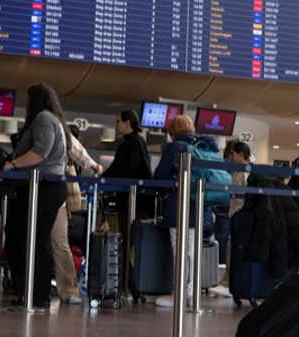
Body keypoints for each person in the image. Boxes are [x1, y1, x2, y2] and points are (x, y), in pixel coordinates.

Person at [3, 83, 70, 309]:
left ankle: (35, 294)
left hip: (42, 186)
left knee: (28, 237)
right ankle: (31, 292)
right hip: (45, 186)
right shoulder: (53, 119)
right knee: (30, 237)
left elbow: (40, 152)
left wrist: (13, 164)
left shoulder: (43, 119)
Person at [151, 114, 217, 308]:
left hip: (179, 206)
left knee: (179, 251)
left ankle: (179, 294)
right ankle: (190, 291)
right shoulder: (205, 146)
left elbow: (160, 177)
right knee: (192, 251)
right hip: (201, 207)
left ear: (173, 132)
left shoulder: (174, 148)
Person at [49, 124, 102, 306]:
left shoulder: (58, 130)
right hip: (44, 194)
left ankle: (70, 289)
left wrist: (92, 165)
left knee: (59, 242)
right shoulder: (40, 127)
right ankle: (36, 286)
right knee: (55, 242)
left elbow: (76, 150)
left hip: (56, 196)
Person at [207, 140, 252, 299]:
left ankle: (229, 283)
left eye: (233, 154)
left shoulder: (246, 172)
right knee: (229, 248)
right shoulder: (238, 172)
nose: (231, 158)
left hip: (240, 215)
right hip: (234, 214)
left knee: (232, 249)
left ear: (241, 154)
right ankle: (226, 280)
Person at [103, 109, 153, 233]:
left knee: (130, 235)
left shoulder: (134, 142)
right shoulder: (132, 142)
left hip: (134, 201)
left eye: (118, 121)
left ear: (128, 123)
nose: (116, 125)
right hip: (130, 199)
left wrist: (104, 180)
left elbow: (128, 170)